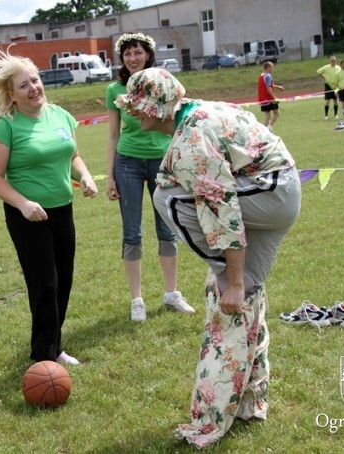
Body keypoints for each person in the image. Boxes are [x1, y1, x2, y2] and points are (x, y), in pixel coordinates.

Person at [115, 68, 301, 448]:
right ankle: (249, 402)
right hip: (279, 190)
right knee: (246, 299)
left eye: (137, 106)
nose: (132, 113)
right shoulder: (197, 112)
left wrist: (229, 278)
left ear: (159, 107)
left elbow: (223, 209)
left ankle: (226, 274)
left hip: (271, 192)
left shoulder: (189, 140)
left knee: (166, 196)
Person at [0, 48, 97, 366]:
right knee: (44, 282)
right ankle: (45, 356)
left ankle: (52, 344)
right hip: (27, 214)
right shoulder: (6, 126)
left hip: (62, 208)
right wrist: (23, 203)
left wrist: (84, 176)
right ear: (11, 95)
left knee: (64, 280)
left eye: (35, 80)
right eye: (23, 85)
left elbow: (72, 156)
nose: (33, 88)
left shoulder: (61, 116)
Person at [105, 32, 193, 322]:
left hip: (162, 161)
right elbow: (113, 134)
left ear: (148, 55)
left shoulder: (162, 84)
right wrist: (110, 176)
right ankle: (137, 300)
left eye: (138, 53)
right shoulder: (114, 90)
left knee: (167, 228)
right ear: (122, 58)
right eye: (128, 53)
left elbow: (176, 122)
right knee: (132, 233)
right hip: (127, 162)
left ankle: (171, 294)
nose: (133, 58)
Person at [257, 61, 284, 131]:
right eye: (272, 67)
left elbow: (268, 85)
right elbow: (268, 88)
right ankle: (269, 127)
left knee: (267, 115)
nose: (273, 69)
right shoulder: (268, 76)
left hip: (262, 99)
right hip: (268, 99)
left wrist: (277, 86)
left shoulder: (262, 75)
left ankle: (264, 130)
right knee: (276, 113)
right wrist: (275, 98)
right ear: (268, 67)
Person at [316, 55, 340, 120]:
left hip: (336, 85)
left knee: (335, 101)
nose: (333, 62)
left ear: (336, 61)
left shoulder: (338, 68)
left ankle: (336, 114)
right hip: (328, 85)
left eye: (334, 61)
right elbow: (318, 71)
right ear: (330, 61)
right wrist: (324, 76)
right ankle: (326, 115)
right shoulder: (326, 67)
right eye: (332, 61)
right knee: (327, 101)